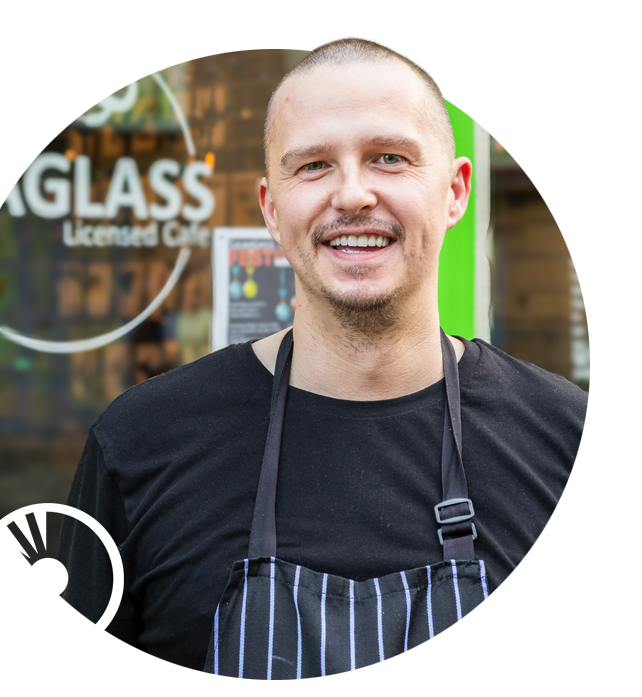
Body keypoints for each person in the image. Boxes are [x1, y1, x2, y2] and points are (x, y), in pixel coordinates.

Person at [59, 38, 587, 681]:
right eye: (312, 166)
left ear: (455, 192)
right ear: (271, 210)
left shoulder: (573, 443)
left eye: (389, 158)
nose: (353, 195)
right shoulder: (140, 445)